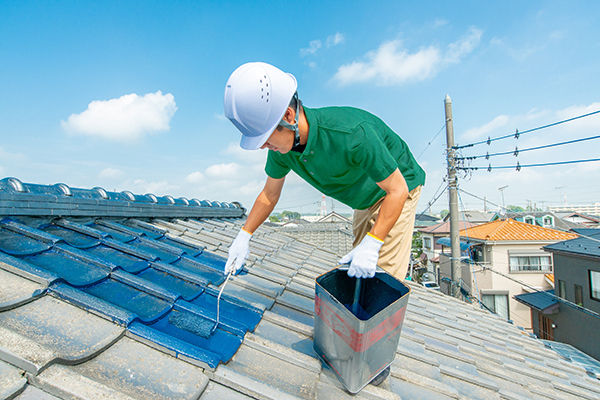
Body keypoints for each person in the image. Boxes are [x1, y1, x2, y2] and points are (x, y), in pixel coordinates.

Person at [223, 61, 425, 386]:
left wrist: (373, 243)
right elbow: (268, 196)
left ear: (288, 117)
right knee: (360, 271)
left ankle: (373, 360)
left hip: (398, 187)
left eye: (265, 138)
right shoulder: (283, 148)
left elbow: (397, 190)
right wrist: (244, 235)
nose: (263, 146)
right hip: (365, 198)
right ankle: (357, 335)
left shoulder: (350, 133)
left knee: (381, 274)